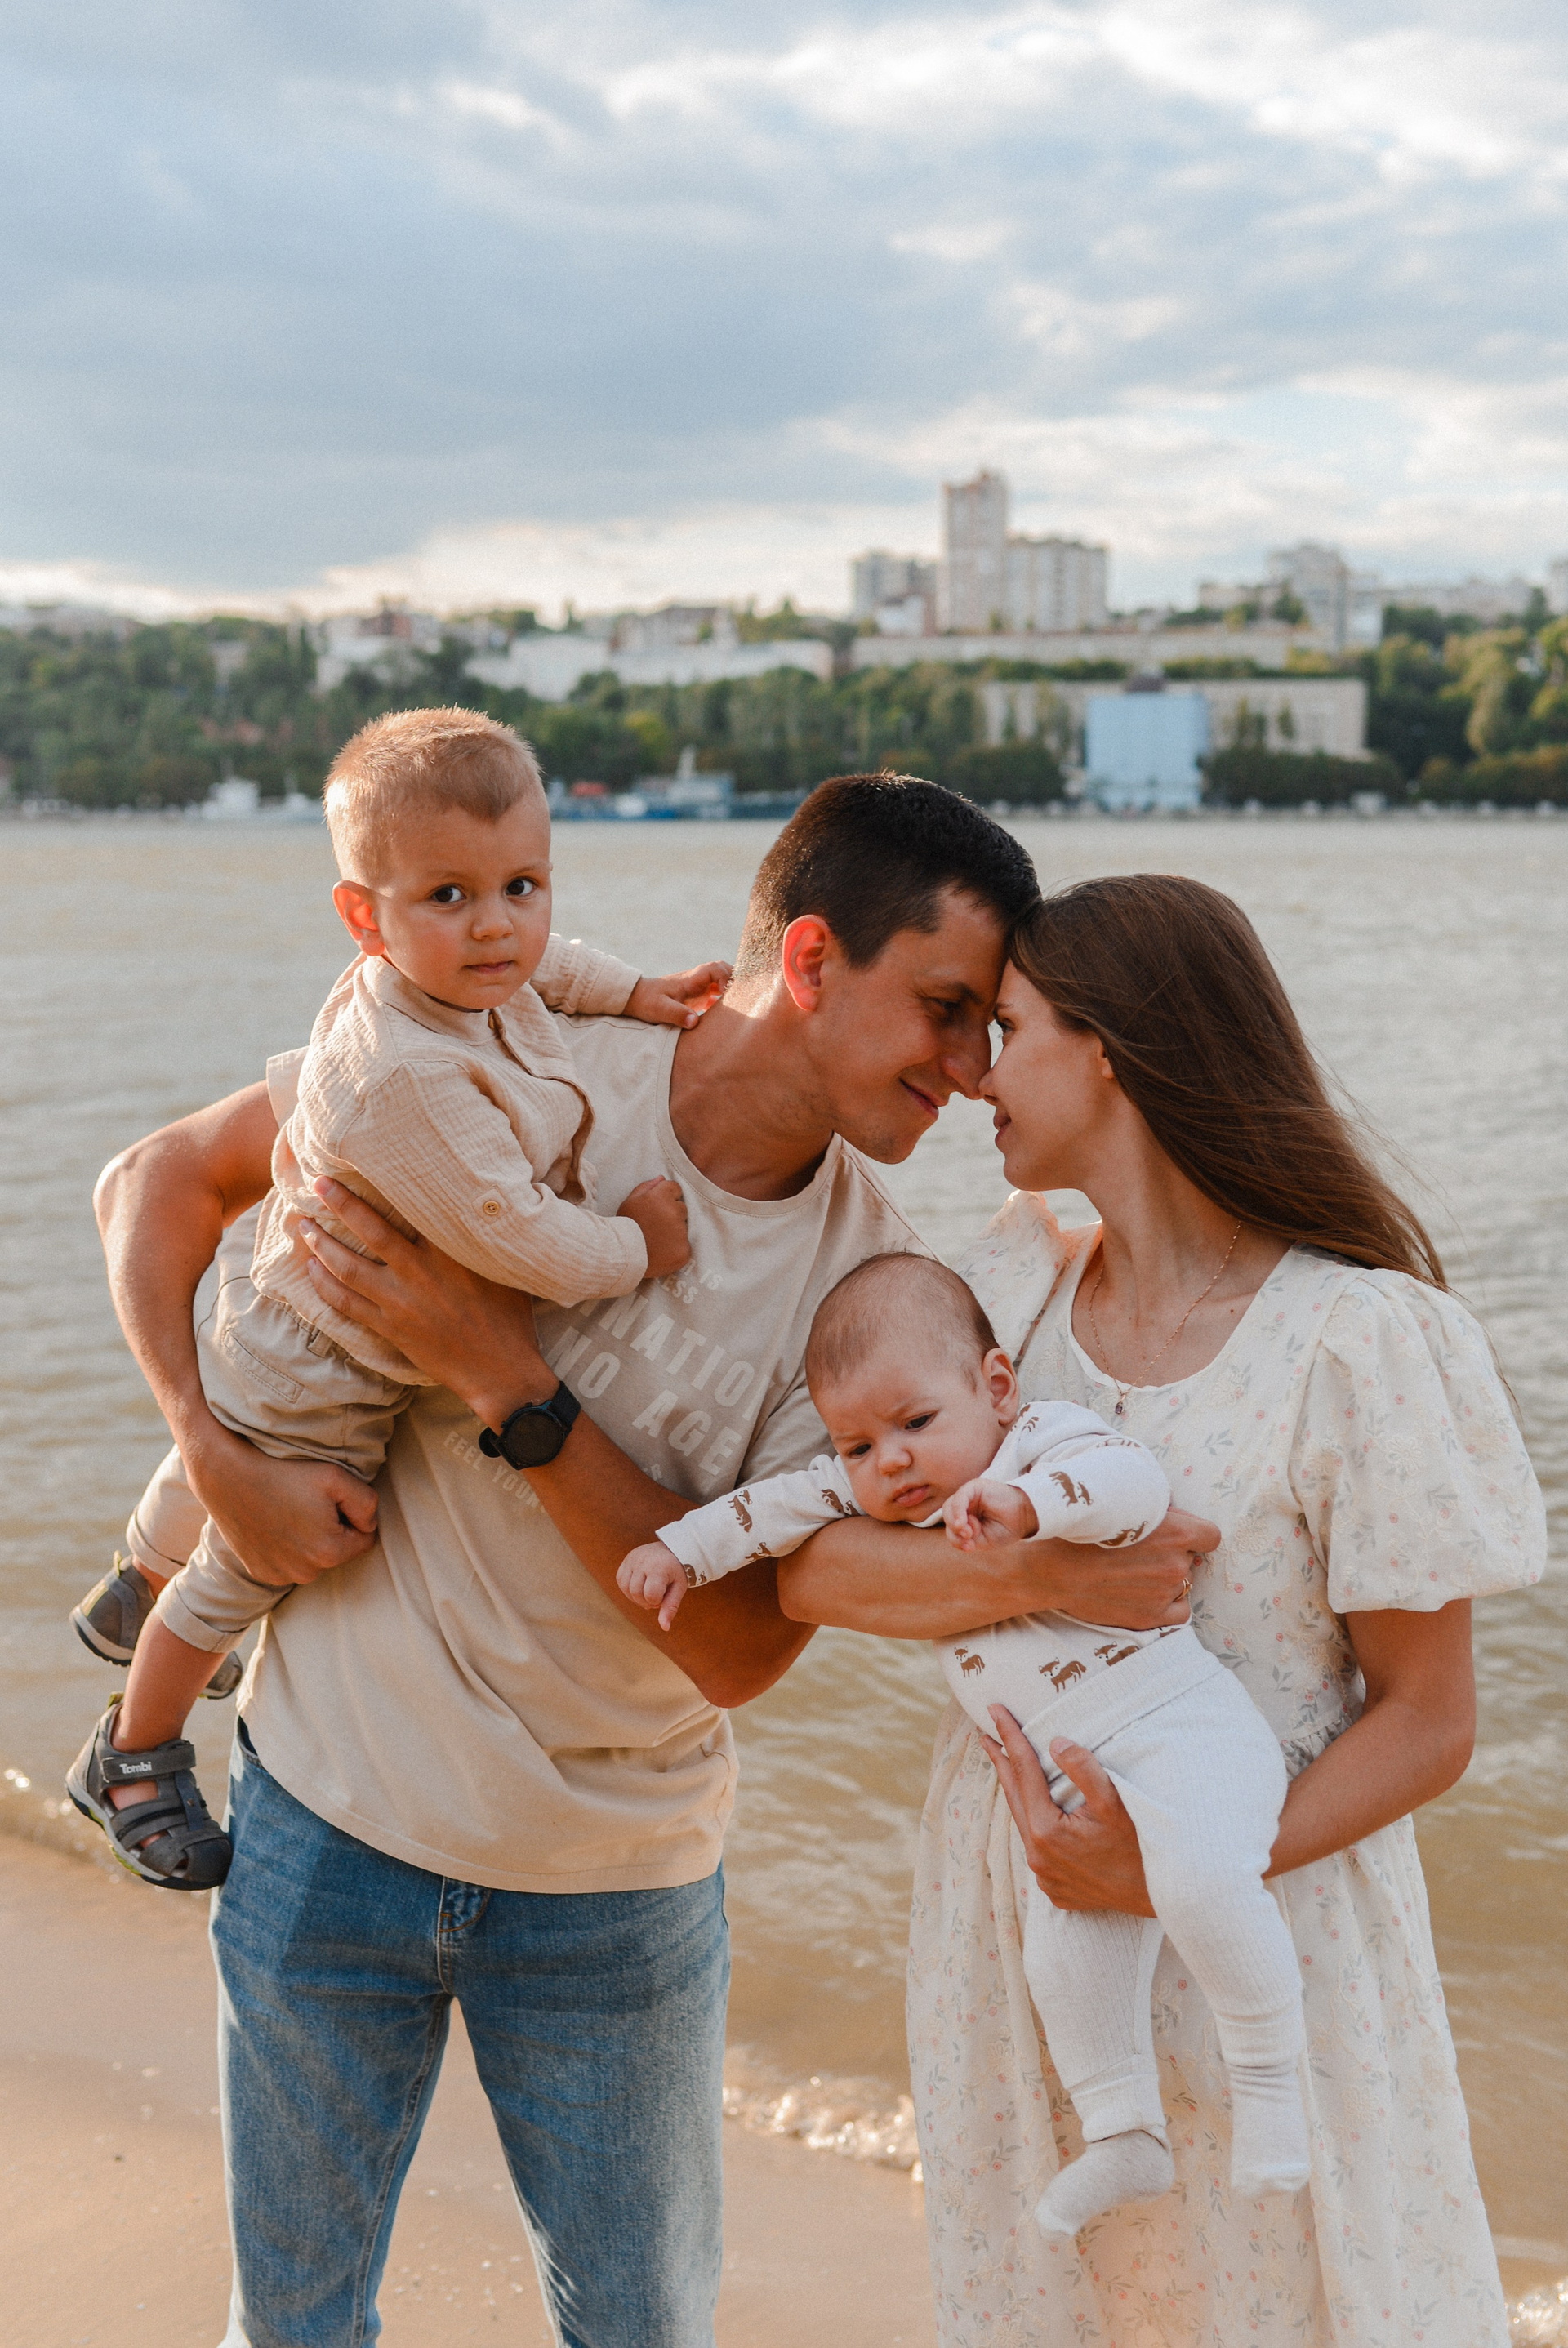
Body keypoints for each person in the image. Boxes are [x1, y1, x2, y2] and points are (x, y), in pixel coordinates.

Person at [100, 776, 1208, 2348]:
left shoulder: (876, 1292)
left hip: (614, 1894)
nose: (973, 1072)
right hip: (329, 1812)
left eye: (990, 1028)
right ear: (810, 958)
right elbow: (157, 1181)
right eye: (946, 1008)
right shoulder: (510, 1053)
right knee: (289, 2332)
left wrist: (503, 1375)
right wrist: (211, 1453)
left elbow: (739, 1649)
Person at [775, 874, 1548, 2346]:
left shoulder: (1355, 1338)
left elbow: (1431, 1722)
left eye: (1009, 1029)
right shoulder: (998, 1306)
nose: (975, 1073)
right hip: (1024, 1937)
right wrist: (1038, 1576)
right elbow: (809, 1566)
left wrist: (1173, 1867)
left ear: (1113, 1051)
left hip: (1268, 1927)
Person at [67, 705, 714, 1891]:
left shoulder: (461, 975)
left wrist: (640, 993)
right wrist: (639, 1242)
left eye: (523, 885)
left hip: (280, 1300)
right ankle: (134, 1747)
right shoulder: (408, 1074)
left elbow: (552, 968)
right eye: (450, 896)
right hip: (325, 1369)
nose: (498, 925)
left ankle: (132, 1579)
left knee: (218, 1430)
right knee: (249, 1566)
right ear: (364, 917)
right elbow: (526, 1242)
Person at [621, 1249, 1312, 2233]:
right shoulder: (873, 1489)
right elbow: (769, 1512)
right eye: (857, 1445)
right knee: (1063, 1963)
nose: (890, 1461)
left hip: (1180, 1731)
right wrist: (679, 1551)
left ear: (994, 1388)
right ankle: (1125, 2134)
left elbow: (1130, 1480)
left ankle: (1272, 2084)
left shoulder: (1038, 1443)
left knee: (1206, 1885)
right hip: (1077, 1786)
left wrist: (1033, 1508)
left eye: (915, 1423)